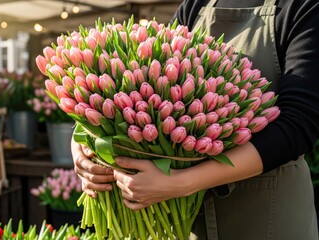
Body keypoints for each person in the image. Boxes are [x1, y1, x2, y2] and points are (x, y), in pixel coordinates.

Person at [72, 0, 319, 239]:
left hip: (265, 211)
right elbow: (145, 92)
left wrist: (182, 183)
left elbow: (298, 125)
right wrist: (83, 148)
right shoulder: (196, 5)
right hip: (184, 219)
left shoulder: (303, 6)